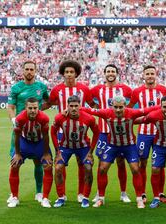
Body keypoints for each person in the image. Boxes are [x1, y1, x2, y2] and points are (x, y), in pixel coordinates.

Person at [83, 95, 156, 208]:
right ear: (112, 106)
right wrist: (74, 109)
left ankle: (139, 199)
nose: (118, 110)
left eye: (120, 107)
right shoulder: (106, 113)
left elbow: (147, 110)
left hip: (129, 146)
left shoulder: (131, 113)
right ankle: (101, 198)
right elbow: (90, 110)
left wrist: (162, 106)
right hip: (113, 145)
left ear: (125, 106)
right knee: (102, 168)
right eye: (115, 107)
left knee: (136, 169)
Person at [44, 59, 97, 203]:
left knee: (82, 163)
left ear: (76, 73)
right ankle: (62, 195)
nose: (69, 74)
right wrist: (32, 111)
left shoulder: (84, 89)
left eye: (71, 72)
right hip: (62, 130)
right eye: (66, 72)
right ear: (63, 74)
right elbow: (49, 103)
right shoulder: (57, 90)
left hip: (80, 131)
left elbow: (92, 105)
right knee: (61, 164)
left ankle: (81, 194)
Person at [7, 60, 49, 204]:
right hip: (20, 129)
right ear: (23, 71)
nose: (29, 71)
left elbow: (48, 102)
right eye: (27, 69)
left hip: (37, 131)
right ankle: (13, 194)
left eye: (32, 69)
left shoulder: (41, 87)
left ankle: (39, 192)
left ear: (35, 71)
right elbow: (10, 107)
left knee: (39, 162)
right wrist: (14, 120)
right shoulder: (16, 88)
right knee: (14, 161)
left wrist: (39, 113)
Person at [127, 65, 166, 204]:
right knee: (142, 163)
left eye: (152, 73)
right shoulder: (137, 91)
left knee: (160, 164)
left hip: (160, 133)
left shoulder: (163, 90)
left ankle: (160, 193)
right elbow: (129, 108)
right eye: (147, 74)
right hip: (143, 134)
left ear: (156, 74)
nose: (150, 76)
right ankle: (143, 193)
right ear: (143, 75)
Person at [90, 64, 133, 203]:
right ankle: (99, 193)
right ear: (104, 73)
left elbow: (131, 104)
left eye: (113, 71)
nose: (110, 73)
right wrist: (96, 108)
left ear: (116, 73)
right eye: (108, 71)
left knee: (121, 162)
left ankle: (123, 193)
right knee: (102, 164)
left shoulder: (125, 89)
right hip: (103, 133)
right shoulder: (98, 89)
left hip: (120, 133)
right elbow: (89, 101)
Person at [51, 96, 99, 208]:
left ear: (80, 106)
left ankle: (85, 198)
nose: (73, 108)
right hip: (65, 147)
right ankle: (61, 198)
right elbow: (52, 132)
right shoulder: (60, 117)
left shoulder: (89, 118)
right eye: (71, 106)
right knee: (58, 168)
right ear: (67, 106)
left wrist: (91, 152)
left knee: (88, 168)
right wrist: (57, 151)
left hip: (83, 147)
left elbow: (97, 133)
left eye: (76, 106)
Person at [7, 97, 53, 208]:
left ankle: (45, 198)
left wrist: (46, 153)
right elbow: (17, 137)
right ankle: (14, 197)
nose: (33, 110)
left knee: (48, 166)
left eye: (35, 108)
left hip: (39, 143)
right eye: (30, 108)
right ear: (25, 108)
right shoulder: (20, 118)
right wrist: (17, 154)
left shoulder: (44, 118)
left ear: (38, 108)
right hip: (24, 142)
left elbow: (46, 136)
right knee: (14, 165)